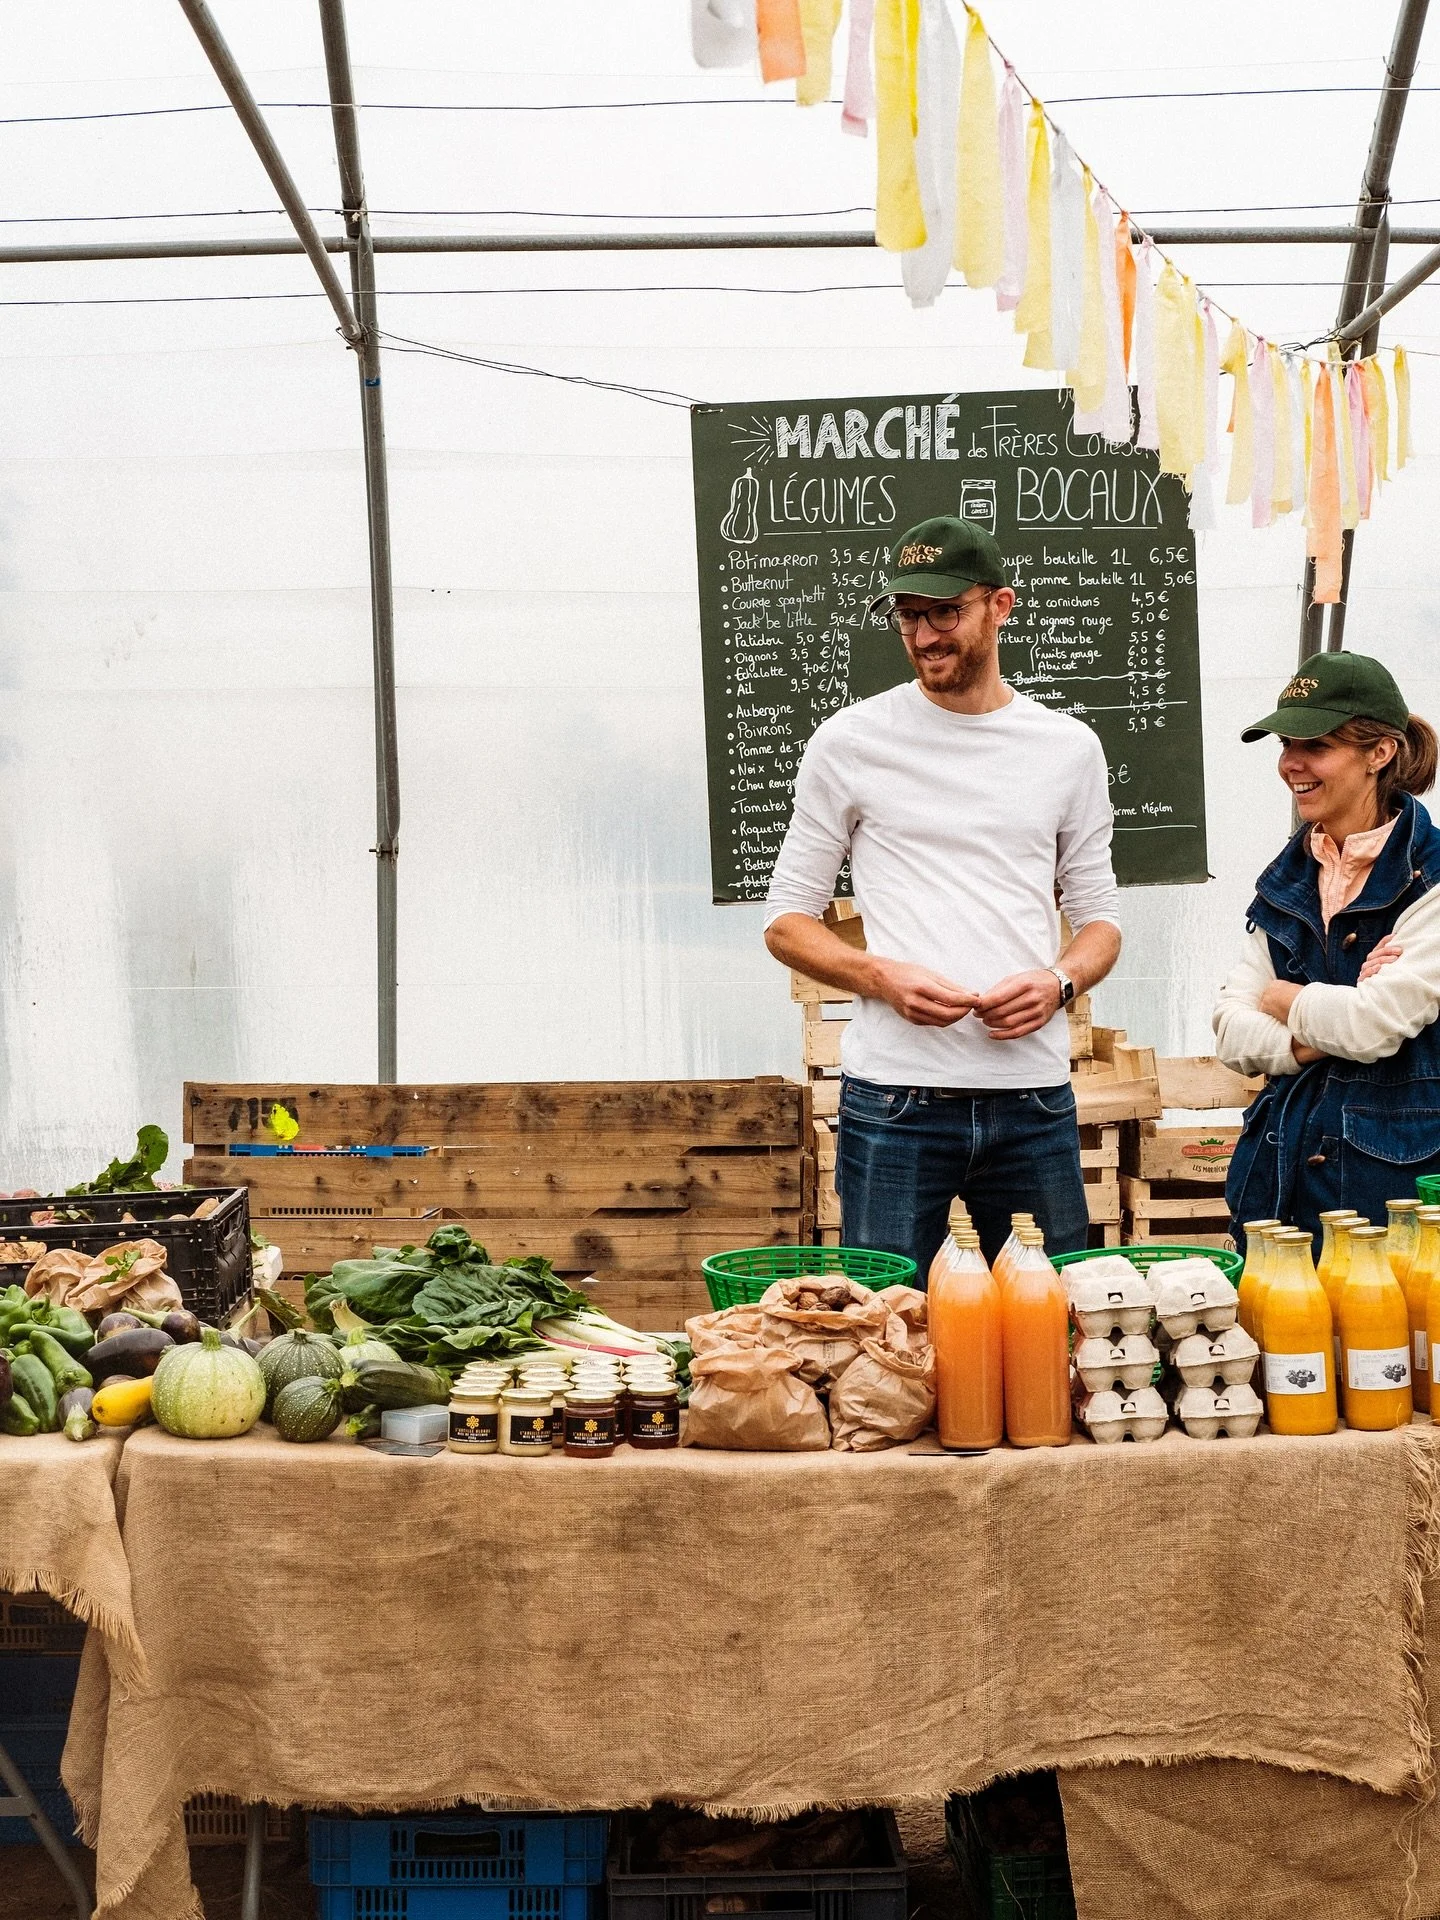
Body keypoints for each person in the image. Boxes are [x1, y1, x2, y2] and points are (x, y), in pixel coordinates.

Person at [763, 514, 1122, 1277]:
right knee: (887, 1328)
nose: (925, 636)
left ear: (1000, 606)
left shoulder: (1068, 749)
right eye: (909, 617)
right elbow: (786, 921)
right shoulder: (849, 741)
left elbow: (1101, 922)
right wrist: (878, 977)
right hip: (895, 1101)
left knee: (1053, 1320)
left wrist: (1058, 982)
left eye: (944, 613)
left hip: (1031, 1099)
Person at [1215, 651, 1440, 1242]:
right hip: (1274, 1198)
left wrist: (1282, 997)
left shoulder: (1432, 879)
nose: (1292, 763)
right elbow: (1230, 1032)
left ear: (1379, 752)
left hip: (1385, 1212)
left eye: (1315, 745)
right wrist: (1329, 1019)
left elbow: (1370, 1026)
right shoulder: (1287, 879)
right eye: (1285, 744)